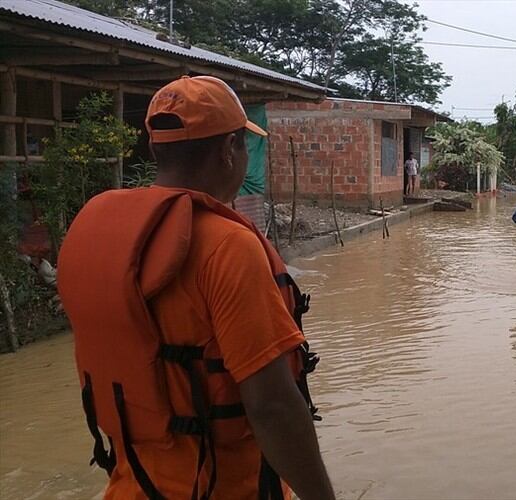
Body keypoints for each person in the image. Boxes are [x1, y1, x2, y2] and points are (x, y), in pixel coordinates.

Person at [56, 76, 335, 500]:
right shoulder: (229, 247)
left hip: (131, 487)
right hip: (224, 489)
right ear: (229, 151)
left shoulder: (99, 236)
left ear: (154, 149)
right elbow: (273, 406)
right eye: (243, 145)